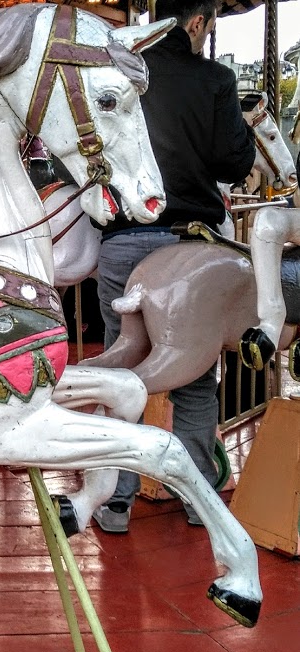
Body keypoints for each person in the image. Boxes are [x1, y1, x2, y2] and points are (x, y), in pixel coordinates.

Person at [92, 0, 256, 533]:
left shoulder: (118, 74)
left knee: (124, 370)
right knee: (195, 382)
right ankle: (194, 496)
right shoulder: (213, 79)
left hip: (123, 240)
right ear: (196, 23)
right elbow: (235, 161)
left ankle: (117, 499)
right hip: (190, 243)